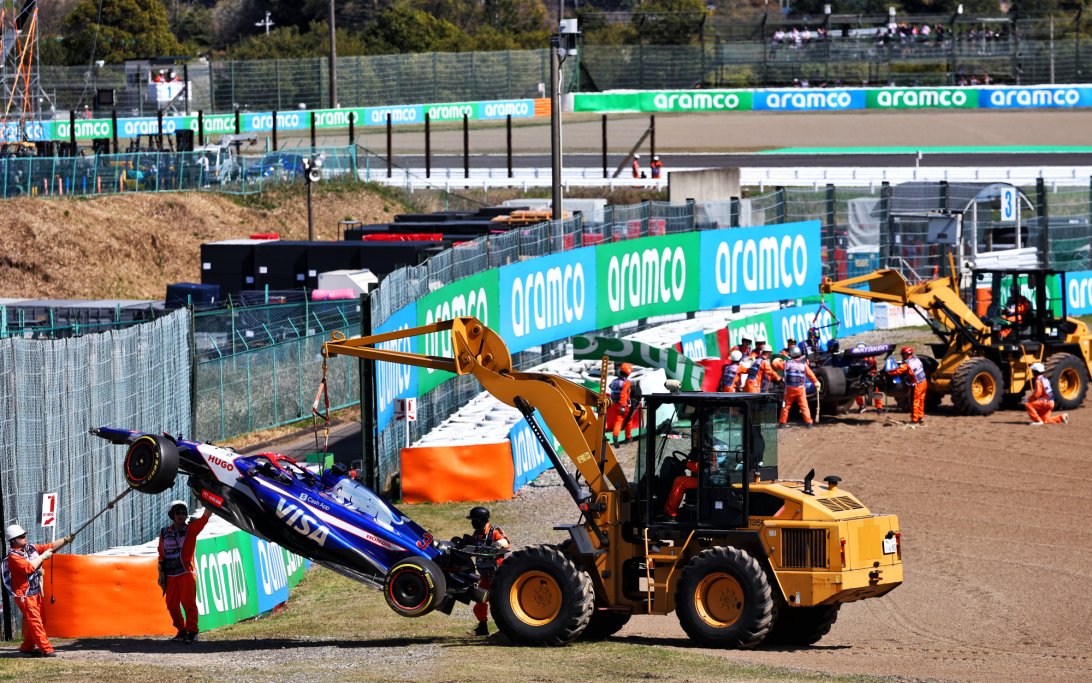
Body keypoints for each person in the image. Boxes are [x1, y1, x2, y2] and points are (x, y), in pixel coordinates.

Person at [3, 524, 75, 657]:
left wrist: (65, 540)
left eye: (24, 535)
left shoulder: (30, 548)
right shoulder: (13, 556)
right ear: (14, 540)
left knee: (41, 619)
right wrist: (42, 558)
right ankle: (46, 649)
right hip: (24, 594)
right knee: (35, 620)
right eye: (21, 536)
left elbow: (50, 547)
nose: (25, 538)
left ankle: (27, 647)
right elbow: (28, 568)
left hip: (34, 591)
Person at [159, 500, 212, 643]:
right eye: (178, 512)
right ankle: (181, 630)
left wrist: (210, 499)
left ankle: (193, 632)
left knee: (189, 604)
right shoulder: (164, 532)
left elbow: (206, 517)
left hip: (186, 574)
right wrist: (161, 574)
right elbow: (161, 555)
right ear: (172, 515)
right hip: (170, 575)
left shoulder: (191, 529)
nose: (181, 515)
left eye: (183, 512)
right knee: (171, 605)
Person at [463, 507, 509, 636]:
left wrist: (498, 544)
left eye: (474, 520)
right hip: (484, 576)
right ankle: (482, 627)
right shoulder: (476, 534)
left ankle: (505, 629)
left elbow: (506, 542)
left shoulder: (495, 531)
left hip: (497, 574)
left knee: (500, 603)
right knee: (480, 602)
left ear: (481, 520)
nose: (472, 523)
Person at [773, 346, 820, 427]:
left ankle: (782, 422)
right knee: (804, 406)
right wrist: (816, 382)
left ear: (791, 354)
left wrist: (779, 359)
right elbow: (810, 374)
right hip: (800, 389)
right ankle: (809, 422)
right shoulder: (804, 365)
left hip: (789, 389)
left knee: (785, 405)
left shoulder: (786, 363)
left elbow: (774, 364)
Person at [888, 346, 927, 425]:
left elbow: (898, 371)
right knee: (921, 401)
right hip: (924, 382)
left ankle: (914, 420)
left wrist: (889, 372)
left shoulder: (907, 364)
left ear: (905, 354)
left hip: (916, 385)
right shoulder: (916, 359)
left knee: (914, 402)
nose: (902, 356)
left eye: (903, 354)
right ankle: (921, 418)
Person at [607, 363, 635, 446]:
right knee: (629, 420)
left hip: (614, 404)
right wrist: (623, 405)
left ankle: (615, 436)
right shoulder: (627, 383)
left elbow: (610, 386)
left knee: (618, 421)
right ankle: (628, 437)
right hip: (623, 405)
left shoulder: (614, 381)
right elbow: (623, 394)